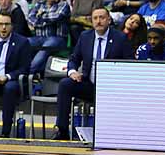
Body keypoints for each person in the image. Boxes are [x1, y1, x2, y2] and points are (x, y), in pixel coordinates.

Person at [55, 8, 129, 140]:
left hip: (112, 88)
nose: (98, 21)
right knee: (65, 84)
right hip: (90, 84)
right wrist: (72, 72)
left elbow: (129, 64)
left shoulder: (120, 38)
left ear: (109, 20)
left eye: (102, 17)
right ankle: (62, 130)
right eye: (95, 18)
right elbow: (74, 58)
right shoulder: (85, 36)